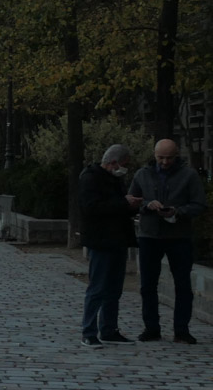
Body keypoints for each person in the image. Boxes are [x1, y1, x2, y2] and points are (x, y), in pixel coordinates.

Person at [128, 138, 207, 344]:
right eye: (161, 158)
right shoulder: (142, 174)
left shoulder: (189, 175)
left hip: (179, 236)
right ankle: (151, 328)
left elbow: (199, 204)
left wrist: (177, 211)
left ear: (176, 155)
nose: (164, 162)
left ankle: (181, 330)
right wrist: (147, 205)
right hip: (149, 235)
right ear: (154, 155)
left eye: (169, 158)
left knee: (182, 285)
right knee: (148, 285)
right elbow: (130, 201)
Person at [80, 144, 143, 347]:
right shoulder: (90, 178)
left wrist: (132, 206)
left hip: (118, 239)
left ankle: (109, 329)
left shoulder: (116, 180)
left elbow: (119, 207)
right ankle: (89, 331)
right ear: (113, 162)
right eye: (124, 164)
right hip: (100, 240)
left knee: (114, 289)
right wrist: (124, 203)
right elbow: (92, 208)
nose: (124, 169)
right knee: (97, 287)